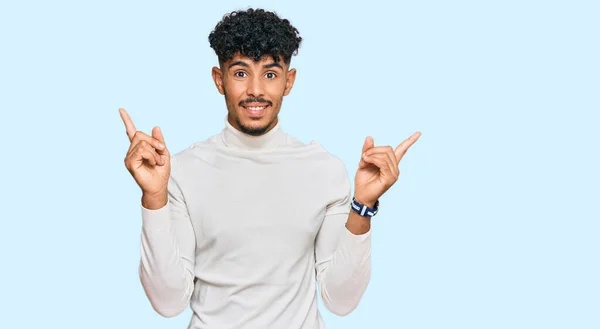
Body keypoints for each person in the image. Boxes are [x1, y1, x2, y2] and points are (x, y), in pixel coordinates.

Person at [120, 8, 420, 329]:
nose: (256, 90)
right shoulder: (182, 171)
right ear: (218, 79)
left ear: (288, 81)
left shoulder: (324, 170)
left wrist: (363, 206)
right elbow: (167, 303)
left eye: (270, 74)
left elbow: (341, 301)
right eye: (240, 73)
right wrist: (153, 197)